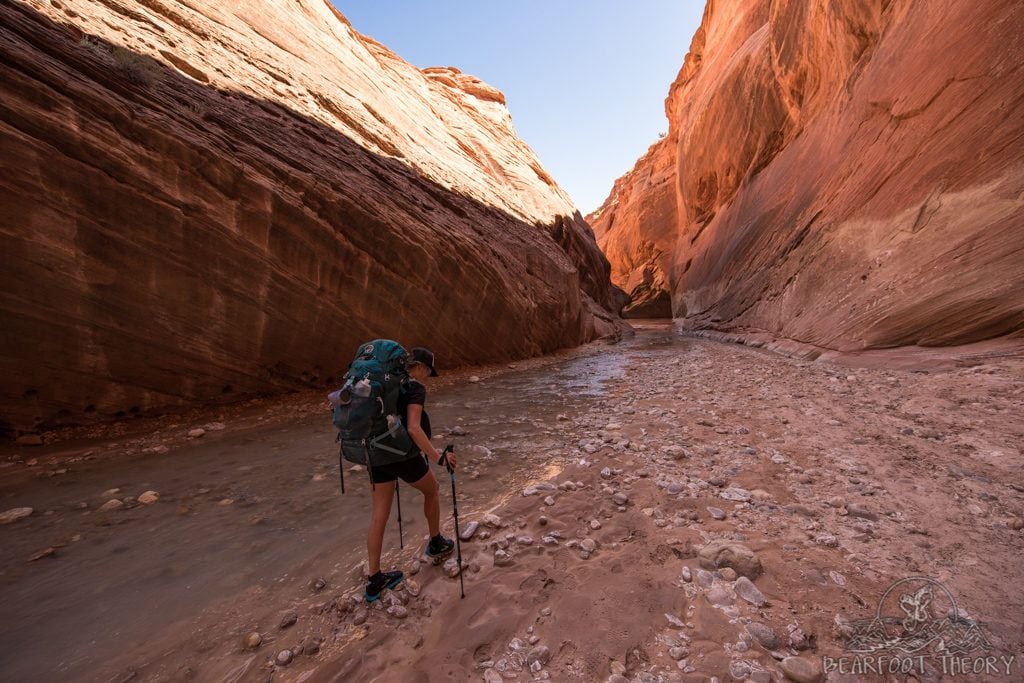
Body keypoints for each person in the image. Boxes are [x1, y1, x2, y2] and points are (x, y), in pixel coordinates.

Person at [363, 346, 457, 601]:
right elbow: (414, 429)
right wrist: (438, 458)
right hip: (402, 455)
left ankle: (374, 580)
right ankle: (436, 542)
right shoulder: (414, 387)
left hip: (376, 454)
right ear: (420, 367)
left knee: (379, 514)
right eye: (427, 370)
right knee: (433, 489)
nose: (427, 375)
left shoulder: (386, 383)